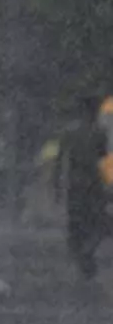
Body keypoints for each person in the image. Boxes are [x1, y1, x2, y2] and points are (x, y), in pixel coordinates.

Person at [64, 94, 110, 279]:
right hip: (92, 182)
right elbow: (103, 160)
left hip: (75, 182)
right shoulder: (99, 133)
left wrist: (55, 185)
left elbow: (63, 160)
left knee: (77, 221)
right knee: (96, 221)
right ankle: (86, 250)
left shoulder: (70, 132)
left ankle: (80, 251)